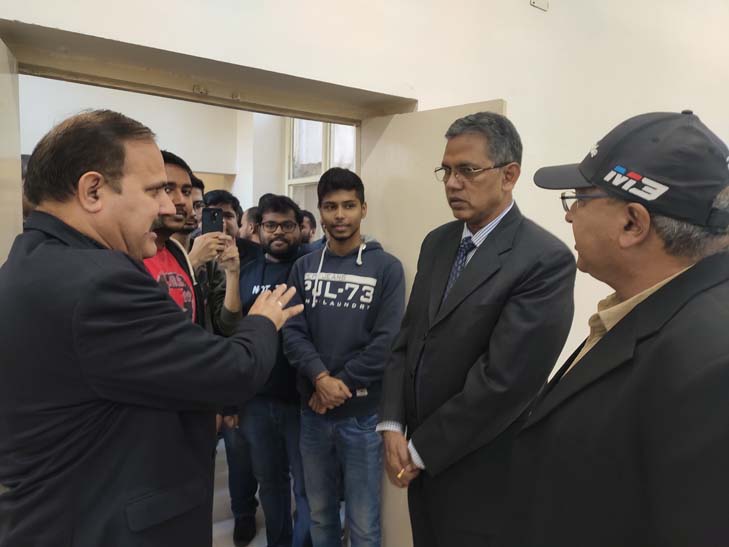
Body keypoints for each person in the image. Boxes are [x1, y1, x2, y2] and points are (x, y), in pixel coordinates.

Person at [0, 110, 302, 547]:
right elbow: (230, 371)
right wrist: (264, 319)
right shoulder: (99, 282)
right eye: (155, 190)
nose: (169, 207)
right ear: (93, 190)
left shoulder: (29, 260)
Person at [498, 110, 729, 547]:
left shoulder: (711, 366)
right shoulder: (645, 310)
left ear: (631, 224)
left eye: (580, 199)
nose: (570, 216)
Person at [378, 112, 576, 547]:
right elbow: (408, 339)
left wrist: (420, 449)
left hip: (484, 472)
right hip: (422, 465)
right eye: (446, 171)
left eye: (467, 170)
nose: (452, 183)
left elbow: (504, 381)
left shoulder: (543, 259)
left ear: (509, 175)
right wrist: (392, 422)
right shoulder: (438, 242)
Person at [284, 167, 405, 547]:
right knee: (320, 516)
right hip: (313, 415)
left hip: (362, 417)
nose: (340, 215)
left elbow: (386, 342)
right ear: (320, 210)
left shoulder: (387, 268)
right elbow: (292, 331)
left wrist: (339, 385)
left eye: (349, 205)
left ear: (363, 209)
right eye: (330, 206)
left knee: (364, 523)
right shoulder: (303, 267)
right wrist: (320, 379)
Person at [218, 194, 313, 547]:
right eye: (271, 225)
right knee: (271, 483)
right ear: (258, 229)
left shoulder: (310, 267)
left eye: (287, 225)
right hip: (256, 399)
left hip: (301, 399)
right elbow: (232, 329)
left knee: (306, 486)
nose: (279, 232)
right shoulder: (247, 270)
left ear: (300, 229)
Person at [201, 189, 261, 545]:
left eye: (227, 215)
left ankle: (243, 513)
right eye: (211, 214)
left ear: (239, 220)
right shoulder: (191, 257)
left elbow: (233, 324)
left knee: (240, 455)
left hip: (240, 372)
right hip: (201, 377)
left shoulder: (256, 256)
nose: (221, 223)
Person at [172, 173, 205, 249]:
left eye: (198, 205)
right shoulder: (153, 250)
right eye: (185, 204)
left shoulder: (204, 249)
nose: (193, 212)